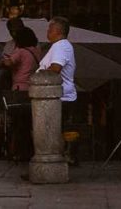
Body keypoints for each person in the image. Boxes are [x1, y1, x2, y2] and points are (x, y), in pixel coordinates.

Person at [38, 16, 78, 163]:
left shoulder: (61, 46)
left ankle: (58, 158)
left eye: (49, 29)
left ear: (57, 30)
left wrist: (41, 73)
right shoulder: (57, 46)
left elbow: (56, 68)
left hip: (59, 96)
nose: (47, 32)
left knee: (54, 130)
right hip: (53, 96)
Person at [2, 27, 40, 161]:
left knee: (18, 124)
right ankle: (30, 151)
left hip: (19, 88)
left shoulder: (20, 51)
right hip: (33, 89)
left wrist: (3, 59)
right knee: (30, 123)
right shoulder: (36, 51)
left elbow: (9, 63)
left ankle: (20, 152)